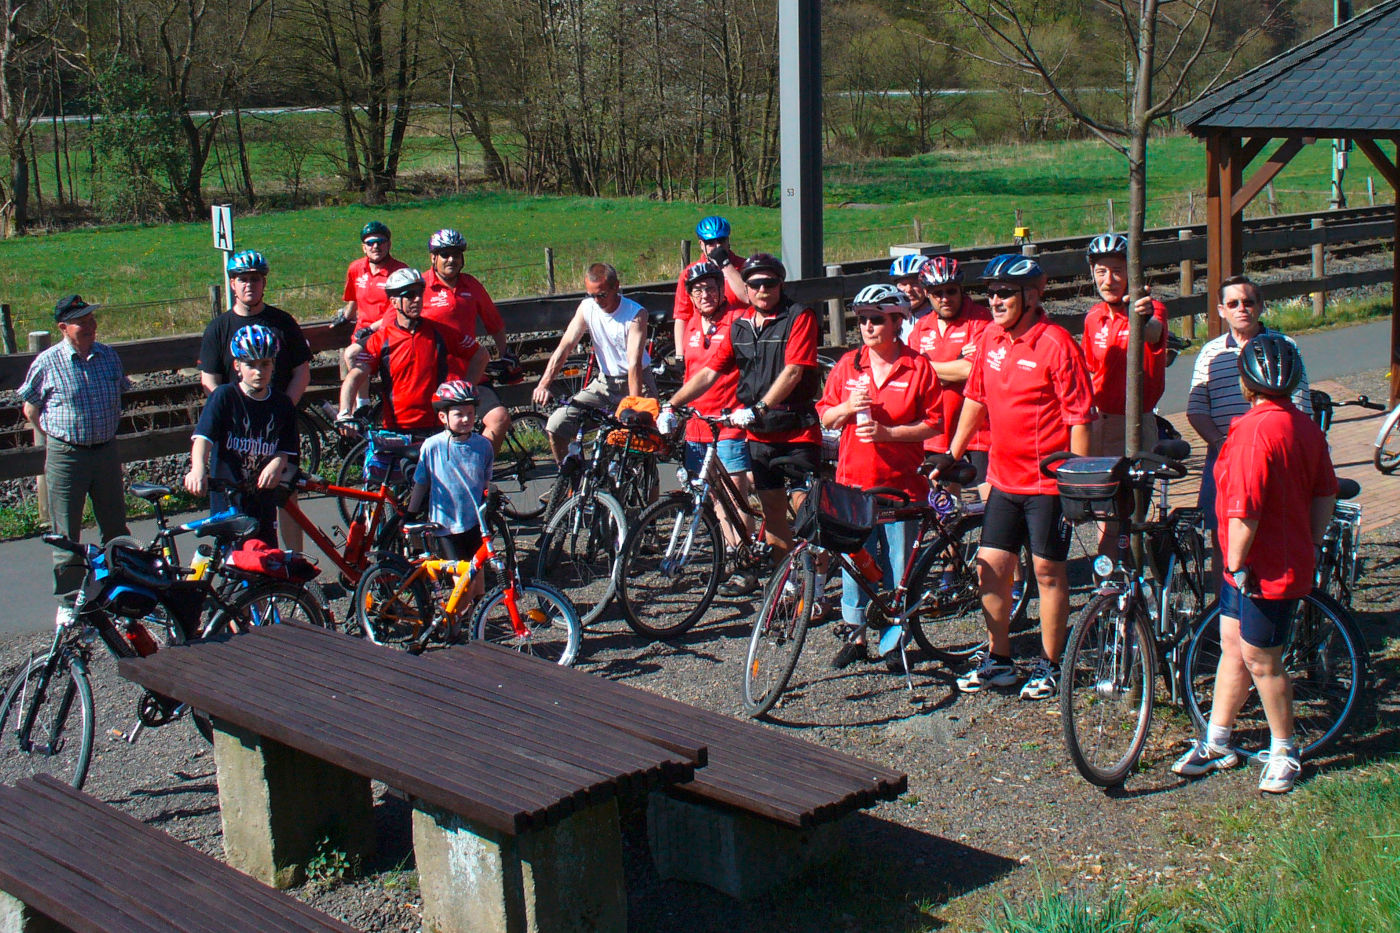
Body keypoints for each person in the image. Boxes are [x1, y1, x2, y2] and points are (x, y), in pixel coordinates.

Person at [1173, 333, 1337, 794]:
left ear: (1246, 386)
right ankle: (1218, 739)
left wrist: (1238, 563)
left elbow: (1245, 508)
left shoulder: (1250, 431)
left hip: (1258, 569)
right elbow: (1325, 491)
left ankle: (1285, 749)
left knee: (1263, 661)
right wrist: (1312, 539)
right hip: (1278, 560)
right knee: (1232, 645)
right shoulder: (1305, 427)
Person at [941, 255, 1094, 700]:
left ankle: (1051, 664)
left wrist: (1077, 484)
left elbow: (1080, 418)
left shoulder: (1056, 343)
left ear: (1032, 295)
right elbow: (976, 399)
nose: (995, 300)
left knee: (1047, 572)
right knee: (991, 569)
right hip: (1004, 480)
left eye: (1005, 292)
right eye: (990, 293)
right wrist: (951, 455)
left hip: (1048, 483)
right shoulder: (990, 337)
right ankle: (1000, 660)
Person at [665, 253, 823, 558]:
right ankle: (786, 589)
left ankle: (815, 593)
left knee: (808, 515)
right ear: (744, 288)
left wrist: (760, 407)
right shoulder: (741, 328)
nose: (763, 290)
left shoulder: (798, 317)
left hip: (797, 431)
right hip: (760, 435)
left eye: (770, 283)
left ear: (781, 284)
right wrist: (671, 405)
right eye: (755, 284)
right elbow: (709, 372)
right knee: (774, 517)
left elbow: (793, 371)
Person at [817, 284, 939, 667]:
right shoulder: (848, 366)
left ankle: (895, 641)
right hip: (854, 481)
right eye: (863, 319)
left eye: (877, 319)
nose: (868, 326)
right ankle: (855, 636)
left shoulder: (918, 367)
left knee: (898, 566)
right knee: (856, 561)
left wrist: (890, 434)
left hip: (901, 485)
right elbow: (825, 416)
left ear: (897, 322)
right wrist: (846, 408)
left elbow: (934, 424)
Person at [19, 295, 132, 626]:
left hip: (106, 452)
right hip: (67, 456)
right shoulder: (47, 362)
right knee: (65, 533)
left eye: (92, 320)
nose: (91, 326)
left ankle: (118, 590)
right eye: (82, 321)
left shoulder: (109, 357)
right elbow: (30, 408)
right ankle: (69, 601)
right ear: (63, 328)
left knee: (115, 526)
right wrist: (57, 437)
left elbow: (121, 394)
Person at [1187, 275, 1311, 574]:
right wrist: (1219, 442)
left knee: (1273, 531)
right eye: (1233, 303)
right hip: (1225, 455)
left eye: (1248, 302)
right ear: (1221, 310)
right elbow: (1196, 407)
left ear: (1261, 306)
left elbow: (1300, 403)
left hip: (1274, 455)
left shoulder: (1284, 346)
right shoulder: (1210, 352)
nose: (1241, 308)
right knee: (1221, 537)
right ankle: (1223, 607)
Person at [347, 229, 512, 449]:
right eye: (445, 255)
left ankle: (480, 469)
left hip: (469, 375)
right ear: (433, 257)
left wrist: (506, 353)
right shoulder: (418, 287)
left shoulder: (471, 285)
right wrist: (361, 345)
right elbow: (391, 323)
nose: (451, 259)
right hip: (435, 381)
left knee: (499, 419)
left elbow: (494, 323)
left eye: (456, 254)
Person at [198, 250, 312, 550]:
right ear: (232, 284)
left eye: (256, 279)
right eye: (243, 279)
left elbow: (301, 371)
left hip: (276, 424)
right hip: (236, 430)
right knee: (237, 503)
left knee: (286, 498)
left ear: (264, 283)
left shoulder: (283, 322)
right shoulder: (219, 328)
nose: (250, 285)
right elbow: (209, 378)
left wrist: (281, 406)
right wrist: (232, 409)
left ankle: (292, 565)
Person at [657, 261, 756, 595]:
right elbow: (691, 375)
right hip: (698, 425)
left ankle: (745, 565)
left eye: (711, 287)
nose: (705, 294)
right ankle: (730, 553)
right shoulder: (692, 328)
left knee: (734, 494)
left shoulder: (737, 322)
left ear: (720, 289)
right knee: (712, 497)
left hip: (729, 420)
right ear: (691, 296)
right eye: (698, 290)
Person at [185, 325, 299, 549]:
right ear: (237, 366)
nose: (259, 371)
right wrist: (198, 468)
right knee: (232, 562)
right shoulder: (224, 397)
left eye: (265, 364)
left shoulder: (282, 404)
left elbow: (286, 449)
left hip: (262, 500)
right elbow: (203, 439)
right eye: (251, 365)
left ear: (273, 365)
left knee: (264, 562)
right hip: (228, 499)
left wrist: (276, 463)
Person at [533, 263, 654, 463]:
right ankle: (570, 484)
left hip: (637, 383)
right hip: (604, 383)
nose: (597, 301)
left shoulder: (635, 314)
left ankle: (648, 491)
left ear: (616, 287)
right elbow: (565, 346)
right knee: (555, 426)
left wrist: (634, 406)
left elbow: (633, 364)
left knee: (639, 450)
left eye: (602, 295)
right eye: (592, 295)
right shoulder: (587, 307)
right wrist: (544, 384)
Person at [337, 268, 478, 437]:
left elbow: (480, 354)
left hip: (436, 428)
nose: (417, 299)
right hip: (396, 429)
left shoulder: (439, 332)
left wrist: (464, 392)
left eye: (420, 293)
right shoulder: (382, 339)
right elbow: (355, 376)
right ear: (394, 302)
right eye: (410, 295)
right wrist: (345, 412)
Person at [407, 381, 496, 608]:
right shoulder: (432, 446)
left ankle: (478, 615)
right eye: (459, 414)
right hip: (444, 526)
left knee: (478, 576)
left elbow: (486, 481)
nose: (466, 419)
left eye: (470, 413)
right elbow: (421, 483)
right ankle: (457, 620)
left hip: (475, 522)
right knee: (463, 582)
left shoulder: (483, 446)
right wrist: (410, 513)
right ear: (443, 418)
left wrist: (490, 503)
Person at [906, 255, 993, 486]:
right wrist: (951, 368)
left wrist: (926, 366)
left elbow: (971, 371)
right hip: (935, 434)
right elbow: (913, 378)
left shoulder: (981, 320)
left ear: (960, 289)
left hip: (978, 435)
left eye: (951, 291)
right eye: (937, 293)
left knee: (981, 504)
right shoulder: (921, 328)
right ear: (927, 294)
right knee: (941, 505)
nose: (945, 299)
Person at [1080, 234, 1169, 458]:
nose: (1108, 280)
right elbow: (1090, 370)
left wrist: (1141, 318)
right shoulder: (1094, 316)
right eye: (1101, 272)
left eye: (1117, 271)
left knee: (1135, 492)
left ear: (1132, 272)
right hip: (1099, 420)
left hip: (1135, 422)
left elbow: (1153, 332)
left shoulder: (1152, 308)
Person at [672, 216, 748, 353]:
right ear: (701, 244)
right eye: (710, 242)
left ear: (728, 241)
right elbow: (682, 316)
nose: (717, 246)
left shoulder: (744, 267)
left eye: (721, 240)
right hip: (703, 343)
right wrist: (679, 354)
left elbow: (749, 298)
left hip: (739, 340)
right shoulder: (689, 273)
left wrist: (726, 265)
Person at [335, 220, 408, 332]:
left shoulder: (400, 271)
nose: (375, 246)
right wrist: (346, 317)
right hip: (361, 332)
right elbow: (354, 298)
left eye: (380, 242)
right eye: (370, 243)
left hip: (390, 331)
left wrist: (371, 329)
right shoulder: (356, 268)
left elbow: (400, 310)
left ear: (389, 245)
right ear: (364, 247)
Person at [888, 254, 933, 343]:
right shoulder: (893, 319)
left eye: (914, 283)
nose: (908, 290)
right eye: (903, 284)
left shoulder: (940, 317)